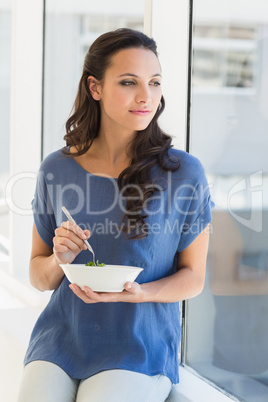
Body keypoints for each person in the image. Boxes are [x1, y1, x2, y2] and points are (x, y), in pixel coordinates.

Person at [17, 28, 214, 402]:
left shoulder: (184, 173)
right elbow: (38, 275)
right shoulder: (57, 169)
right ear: (95, 87)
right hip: (61, 337)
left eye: (154, 83)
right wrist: (61, 260)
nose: (146, 97)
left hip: (139, 345)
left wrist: (142, 294)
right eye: (128, 82)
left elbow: (194, 277)